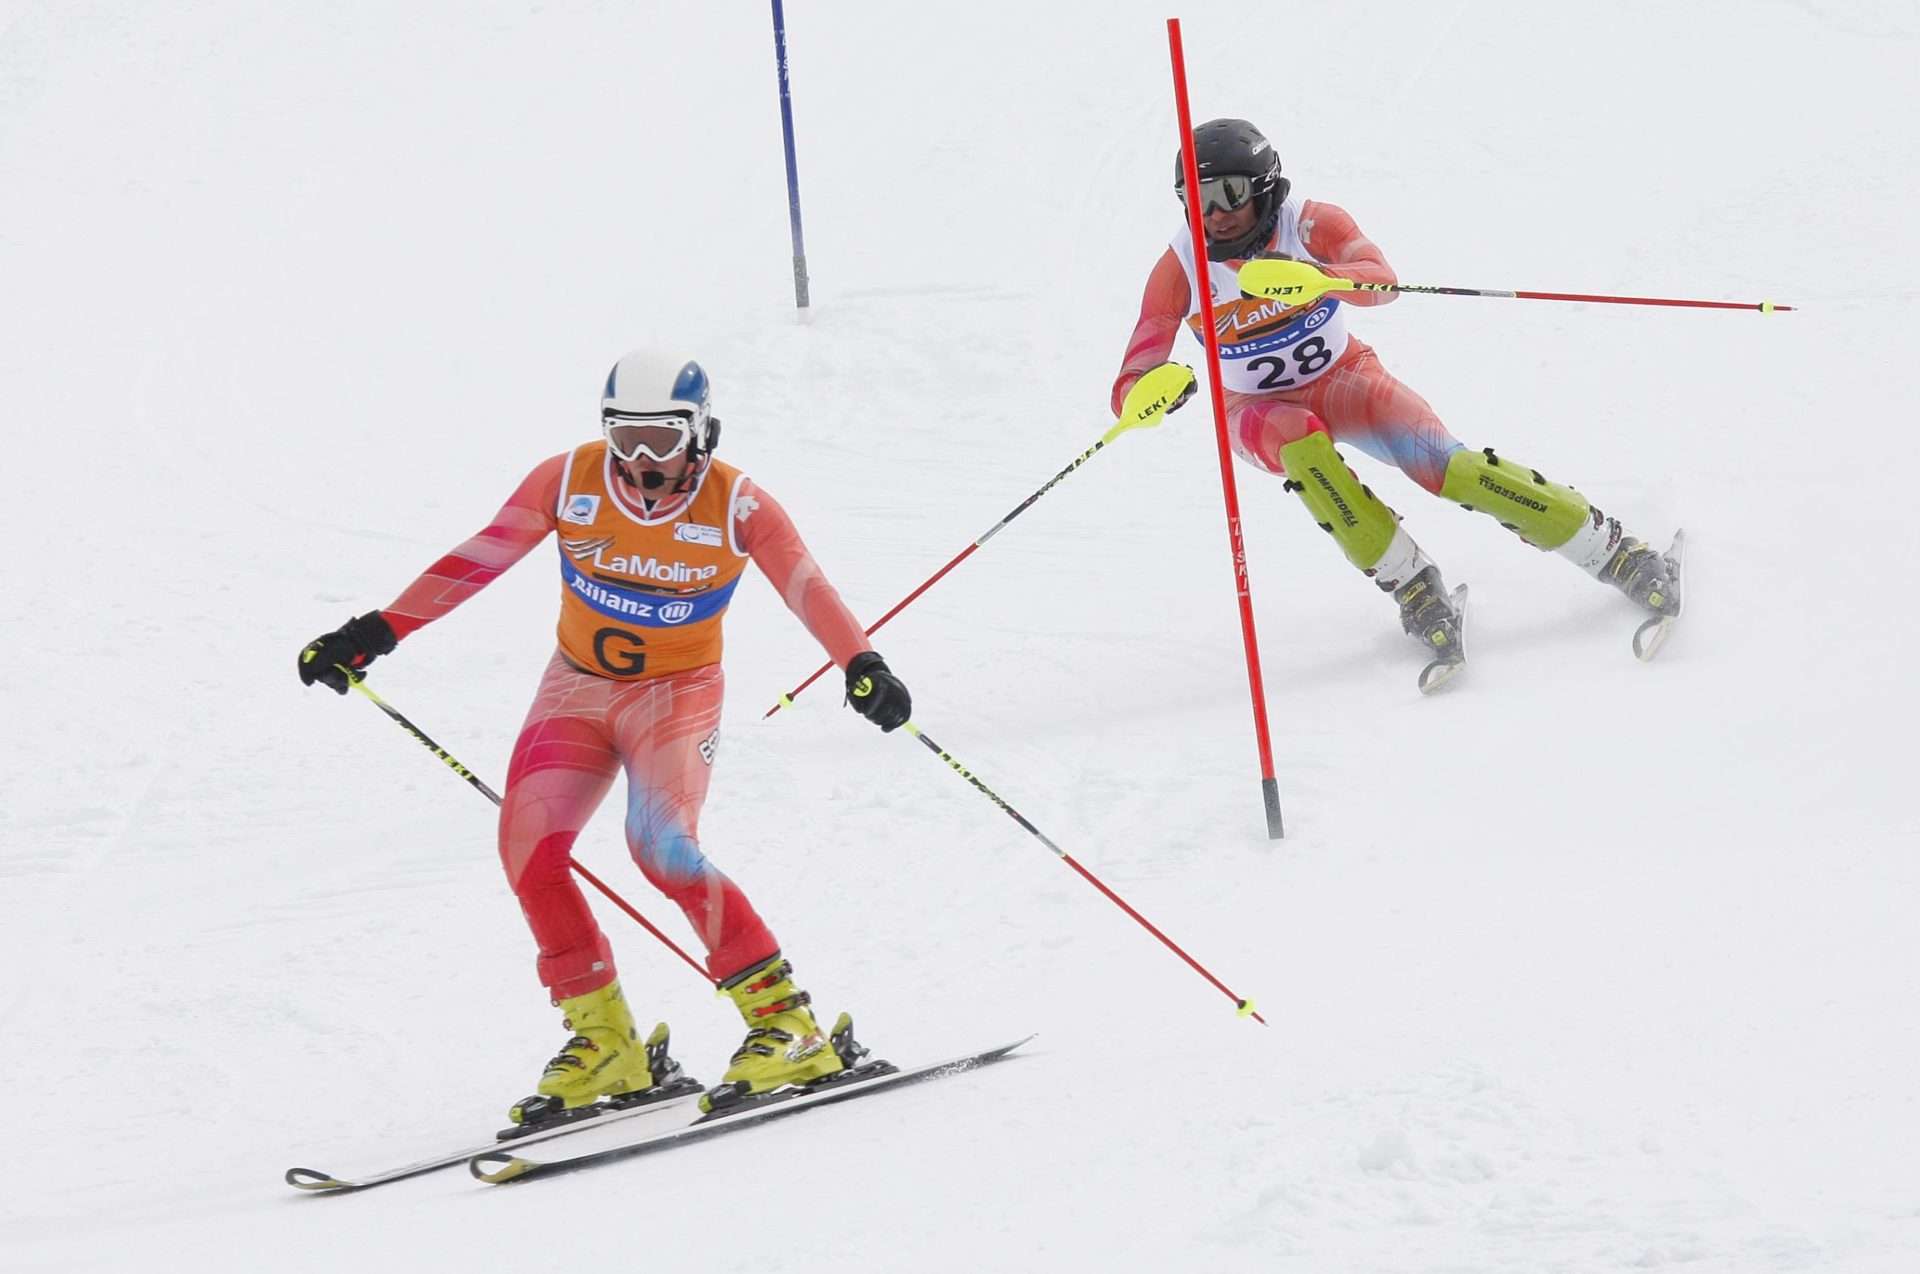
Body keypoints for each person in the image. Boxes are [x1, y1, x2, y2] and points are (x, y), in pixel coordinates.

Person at [297, 351, 912, 1120]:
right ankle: (609, 1044)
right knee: (528, 847)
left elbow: (805, 584)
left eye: (662, 438)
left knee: (662, 847)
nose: (643, 460)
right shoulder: (568, 480)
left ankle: (788, 1024)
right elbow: (483, 553)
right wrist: (375, 631)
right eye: (627, 438)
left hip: (674, 697)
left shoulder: (738, 505)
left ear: (700, 431)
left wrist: (861, 663)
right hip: (577, 689)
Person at [1111, 118, 1680, 681]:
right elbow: (1138, 362)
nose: (1214, 213)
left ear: (1263, 186)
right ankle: (1412, 586)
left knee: (1447, 467)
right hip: (1256, 412)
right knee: (1302, 445)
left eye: (1229, 193)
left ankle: (1614, 551)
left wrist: (1317, 277)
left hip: (1344, 377)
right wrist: (1144, 396)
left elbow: (1381, 282)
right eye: (1197, 198)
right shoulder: (1181, 266)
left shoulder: (1308, 223)